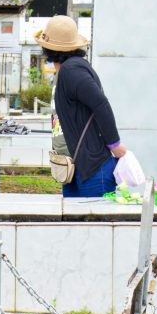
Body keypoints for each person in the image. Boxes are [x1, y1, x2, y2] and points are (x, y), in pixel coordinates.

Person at [35, 15, 128, 197]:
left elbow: (101, 104)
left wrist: (115, 144)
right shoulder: (65, 70)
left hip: (93, 168)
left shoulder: (72, 71)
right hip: (74, 167)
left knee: (94, 225)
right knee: (73, 225)